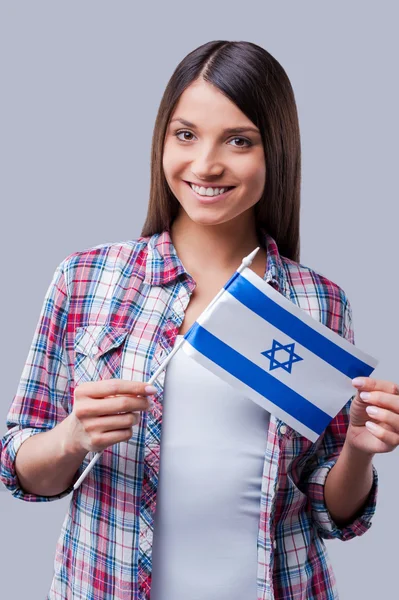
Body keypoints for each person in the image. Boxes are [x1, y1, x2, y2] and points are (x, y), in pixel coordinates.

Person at [0, 39, 398, 600]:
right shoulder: (86, 278)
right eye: (186, 135)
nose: (206, 164)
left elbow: (336, 514)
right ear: (162, 139)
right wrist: (72, 438)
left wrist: (357, 448)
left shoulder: (318, 303)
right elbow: (19, 471)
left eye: (239, 140)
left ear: (276, 151)